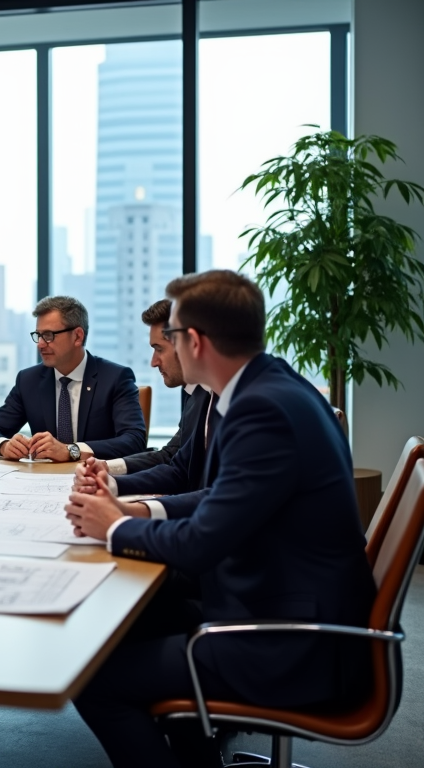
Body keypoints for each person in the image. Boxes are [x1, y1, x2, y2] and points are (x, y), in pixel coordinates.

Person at [64, 270, 375, 768]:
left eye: (172, 338)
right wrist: (130, 510)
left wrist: (116, 527)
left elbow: (204, 542)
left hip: (292, 641)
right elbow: (216, 496)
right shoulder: (262, 389)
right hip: (277, 601)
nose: (164, 349)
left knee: (92, 678)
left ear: (196, 341)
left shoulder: (262, 411)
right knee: (142, 617)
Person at [0, 295, 146, 462]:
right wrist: (4, 445)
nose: (40, 344)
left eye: (48, 335)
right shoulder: (29, 380)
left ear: (78, 336)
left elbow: (134, 440)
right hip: (42, 482)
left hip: (96, 481)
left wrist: (71, 451)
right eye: (38, 335)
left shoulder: (115, 378)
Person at [103, 298, 213, 476]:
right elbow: (171, 456)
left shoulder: (231, 399)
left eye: (159, 349)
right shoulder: (195, 393)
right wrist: (107, 468)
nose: (154, 362)